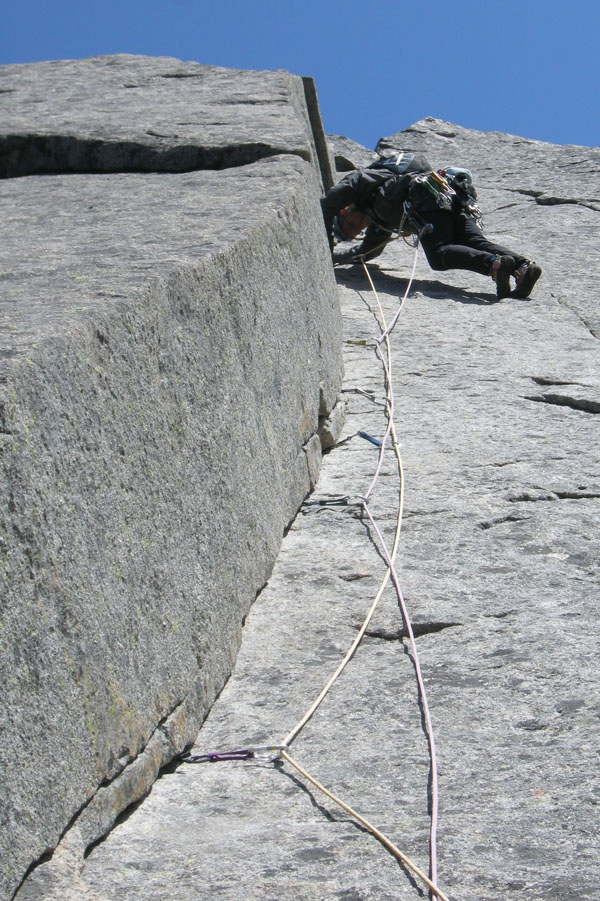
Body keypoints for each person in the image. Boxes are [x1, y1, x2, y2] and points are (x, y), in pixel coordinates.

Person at [320, 154, 542, 299]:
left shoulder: (362, 181)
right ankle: (523, 268)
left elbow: (327, 205)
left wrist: (325, 247)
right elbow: (367, 252)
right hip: (450, 195)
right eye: (356, 231)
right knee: (472, 241)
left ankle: (495, 265)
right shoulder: (379, 224)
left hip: (425, 197)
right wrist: (335, 258)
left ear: (345, 210)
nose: (358, 226)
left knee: (439, 254)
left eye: (351, 223)